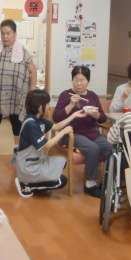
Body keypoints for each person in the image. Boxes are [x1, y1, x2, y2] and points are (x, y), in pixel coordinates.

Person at [14, 89, 86, 197]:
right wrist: (63, 132)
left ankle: (35, 181)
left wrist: (74, 115)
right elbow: (46, 146)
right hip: (28, 167)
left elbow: (55, 126)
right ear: (39, 106)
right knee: (61, 181)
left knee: (62, 162)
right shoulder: (31, 124)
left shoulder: (38, 119)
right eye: (47, 104)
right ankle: (26, 185)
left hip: (36, 162)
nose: (49, 107)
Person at [0, 19, 36, 164]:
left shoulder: (23, 52)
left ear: (15, 34)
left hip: (15, 95)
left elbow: (33, 71)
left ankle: (17, 150)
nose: (5, 36)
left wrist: (31, 92)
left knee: (16, 123)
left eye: (8, 33)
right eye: (2, 33)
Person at [54, 65, 111, 198]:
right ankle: (90, 184)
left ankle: (107, 181)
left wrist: (95, 115)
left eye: (82, 80)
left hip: (91, 133)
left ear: (88, 81)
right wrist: (71, 105)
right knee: (93, 148)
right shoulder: (65, 95)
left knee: (109, 147)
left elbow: (103, 118)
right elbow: (56, 118)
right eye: (76, 80)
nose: (79, 83)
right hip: (71, 133)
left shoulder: (92, 96)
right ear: (72, 80)